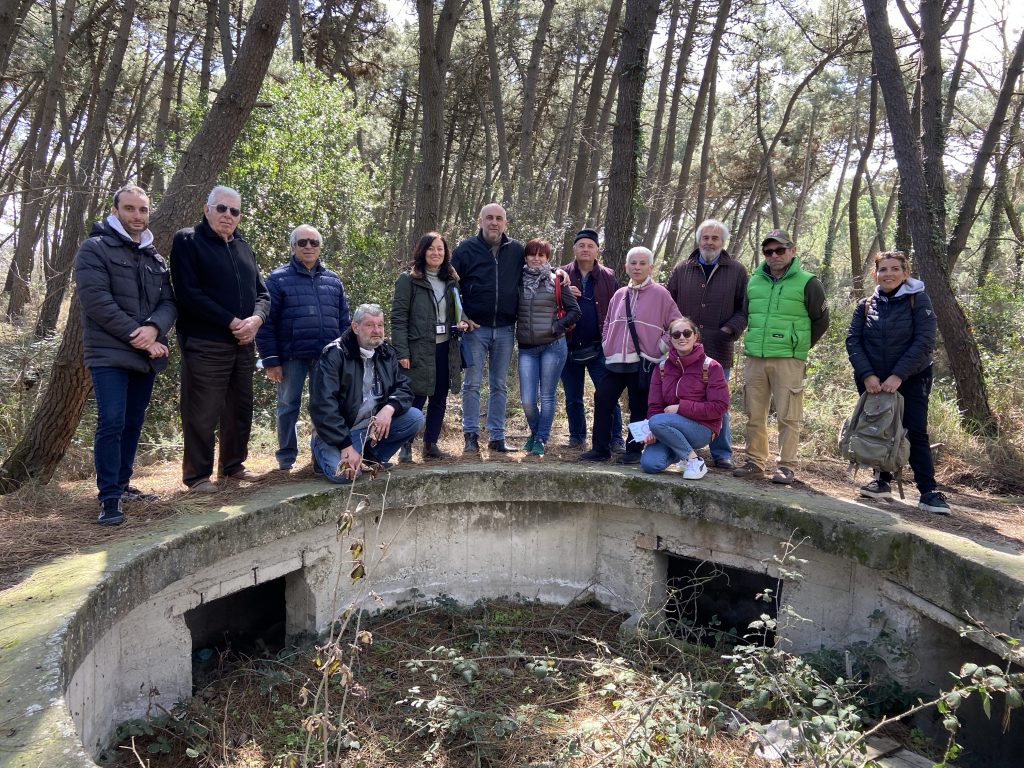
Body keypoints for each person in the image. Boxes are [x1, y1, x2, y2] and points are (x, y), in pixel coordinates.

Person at [75, 184, 176, 525]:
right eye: (130, 209)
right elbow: (96, 302)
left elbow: (169, 302)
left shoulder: (154, 257)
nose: (137, 215)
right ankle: (108, 497)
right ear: (116, 210)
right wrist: (142, 337)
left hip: (144, 355)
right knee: (112, 421)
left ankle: (123, 483)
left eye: (143, 210)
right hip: (108, 355)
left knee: (133, 422)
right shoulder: (94, 249)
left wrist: (153, 328)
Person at [170, 185, 270, 492]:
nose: (228, 215)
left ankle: (232, 465)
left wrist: (256, 319)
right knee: (202, 410)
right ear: (207, 209)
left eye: (234, 211)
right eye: (221, 208)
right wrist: (231, 321)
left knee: (239, 407)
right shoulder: (188, 240)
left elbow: (263, 294)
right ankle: (198, 476)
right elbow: (188, 294)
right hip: (205, 342)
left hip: (243, 343)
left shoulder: (243, 247)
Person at [845, 251, 950, 514]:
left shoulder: (919, 300)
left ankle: (928, 492)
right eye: (883, 269)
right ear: (875, 274)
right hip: (873, 381)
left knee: (914, 431)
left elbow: (924, 342)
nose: (888, 274)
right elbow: (853, 341)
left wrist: (898, 376)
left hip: (912, 378)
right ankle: (882, 481)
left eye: (895, 269)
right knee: (879, 429)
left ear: (905, 273)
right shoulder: (866, 304)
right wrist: (868, 375)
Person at [734, 229, 829, 484]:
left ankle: (787, 465)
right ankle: (755, 461)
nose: (774, 255)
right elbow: (746, 314)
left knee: (788, 415)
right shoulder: (754, 281)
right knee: (754, 413)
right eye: (768, 251)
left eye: (780, 250)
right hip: (755, 357)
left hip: (788, 358)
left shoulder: (809, 282)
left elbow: (821, 321)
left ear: (792, 250)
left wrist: (798, 348)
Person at [256, 225, 350, 472]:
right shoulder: (277, 279)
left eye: (314, 242)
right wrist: (271, 360)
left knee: (326, 405)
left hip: (327, 357)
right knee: (288, 405)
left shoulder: (333, 280)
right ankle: (286, 458)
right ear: (293, 247)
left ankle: (321, 456)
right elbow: (267, 323)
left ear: (320, 247)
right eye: (302, 243)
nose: (308, 247)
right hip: (291, 357)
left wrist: (346, 354)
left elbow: (344, 321)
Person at [580, 246, 681, 464]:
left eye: (642, 263)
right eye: (633, 263)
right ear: (626, 267)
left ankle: (634, 450)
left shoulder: (661, 294)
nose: (637, 267)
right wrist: (608, 345)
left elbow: (677, 325)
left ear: (651, 267)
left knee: (639, 405)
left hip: (643, 362)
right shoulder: (620, 294)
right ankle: (600, 449)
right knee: (603, 398)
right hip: (616, 360)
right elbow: (607, 323)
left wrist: (659, 348)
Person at [308, 304, 425, 482]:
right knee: (343, 476)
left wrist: (389, 408)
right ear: (356, 327)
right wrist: (345, 445)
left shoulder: (386, 352)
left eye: (380, 325)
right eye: (370, 325)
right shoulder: (334, 354)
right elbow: (323, 407)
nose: (376, 331)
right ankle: (325, 454)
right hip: (336, 434)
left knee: (414, 417)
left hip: (367, 430)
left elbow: (404, 387)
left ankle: (370, 457)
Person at [666, 218, 747, 469]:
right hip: (682, 350)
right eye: (705, 237)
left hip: (718, 348)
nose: (709, 242)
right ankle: (681, 447)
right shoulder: (682, 269)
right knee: (678, 398)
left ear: (723, 242)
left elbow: (743, 310)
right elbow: (669, 305)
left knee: (718, 403)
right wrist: (676, 334)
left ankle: (722, 452)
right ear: (698, 240)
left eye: (715, 238)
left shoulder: (736, 271)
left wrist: (727, 331)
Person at [451, 203, 525, 454]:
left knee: (499, 384)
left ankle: (497, 437)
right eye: (489, 218)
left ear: (505, 223)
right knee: (472, 384)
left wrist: (561, 275)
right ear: (480, 221)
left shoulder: (516, 250)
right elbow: (451, 287)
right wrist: (462, 316)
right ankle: (470, 435)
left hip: (505, 328)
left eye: (499, 218)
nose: (494, 222)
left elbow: (537, 270)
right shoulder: (465, 249)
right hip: (475, 330)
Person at [390, 232, 467, 460]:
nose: (436, 253)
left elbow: (456, 310)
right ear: (422, 251)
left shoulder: (451, 279)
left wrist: (461, 321)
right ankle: (405, 445)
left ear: (446, 253)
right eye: (431, 248)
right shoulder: (409, 279)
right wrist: (401, 351)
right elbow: (398, 317)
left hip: (446, 348)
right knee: (415, 397)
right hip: (418, 349)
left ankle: (431, 444)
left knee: (440, 397)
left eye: (440, 249)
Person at [559, 227, 624, 451]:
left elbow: (617, 310)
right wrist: (564, 295)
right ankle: (577, 436)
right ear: (574, 249)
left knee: (607, 394)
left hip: (600, 347)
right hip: (567, 345)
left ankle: (615, 438)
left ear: (597, 251)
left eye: (590, 246)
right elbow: (548, 306)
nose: (586, 249)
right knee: (573, 396)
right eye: (581, 245)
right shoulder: (561, 274)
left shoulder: (609, 276)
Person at [641, 317, 729, 479]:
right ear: (670, 339)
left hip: (702, 428)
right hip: (668, 427)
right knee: (650, 464)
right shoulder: (662, 367)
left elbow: (719, 407)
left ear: (695, 336)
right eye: (676, 335)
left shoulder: (711, 366)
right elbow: (655, 406)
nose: (682, 338)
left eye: (687, 333)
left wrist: (681, 407)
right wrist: (652, 431)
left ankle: (694, 461)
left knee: (657, 421)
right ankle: (684, 456)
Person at [517, 239, 581, 456]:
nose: (536, 258)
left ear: (547, 258)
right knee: (527, 399)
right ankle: (536, 433)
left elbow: (575, 311)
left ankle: (541, 439)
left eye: (541, 255)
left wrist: (556, 327)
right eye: (532, 254)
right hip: (526, 347)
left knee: (547, 396)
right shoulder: (517, 280)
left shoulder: (557, 281)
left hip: (553, 345)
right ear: (525, 256)